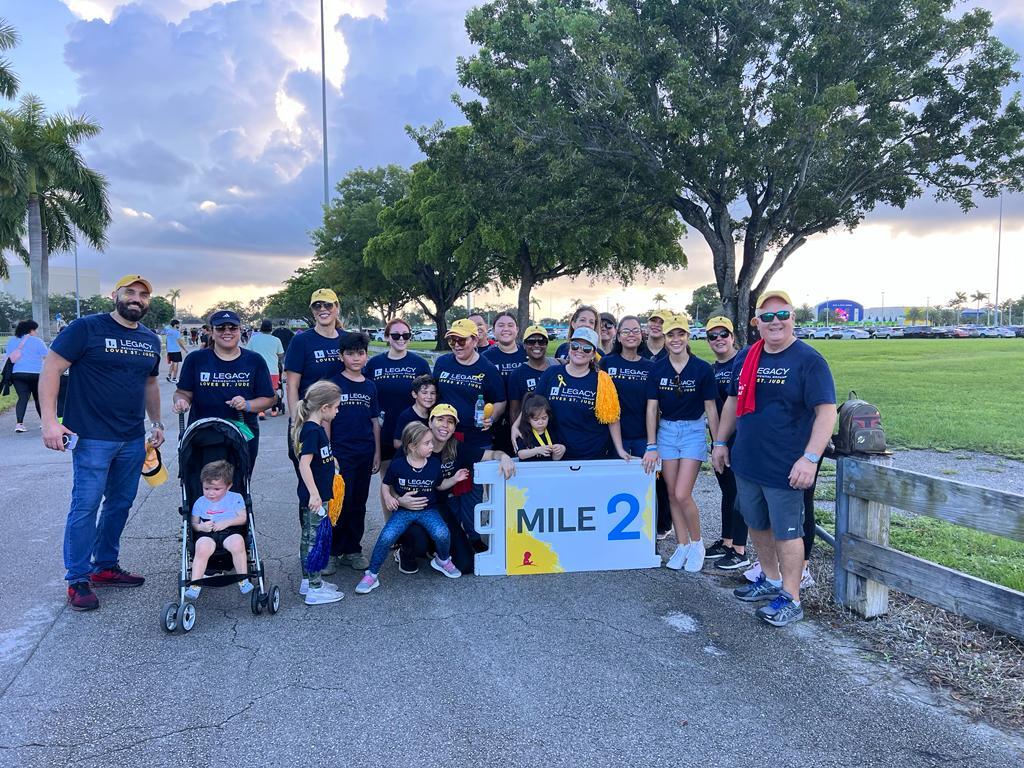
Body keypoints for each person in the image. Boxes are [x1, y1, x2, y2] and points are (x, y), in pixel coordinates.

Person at [39, 274, 165, 612]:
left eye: (143, 294)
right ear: (115, 295)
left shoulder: (151, 340)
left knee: (120, 505)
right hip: (92, 437)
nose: (136, 298)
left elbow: (150, 384)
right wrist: (51, 422)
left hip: (132, 437)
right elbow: (51, 368)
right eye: (130, 292)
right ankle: (78, 578)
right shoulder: (86, 328)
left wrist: (156, 422)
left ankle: (105, 566)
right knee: (86, 505)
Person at [713, 290, 837, 627]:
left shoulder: (809, 361)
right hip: (749, 460)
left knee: (787, 531)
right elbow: (733, 403)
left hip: (786, 464)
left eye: (782, 314)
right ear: (757, 323)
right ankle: (769, 578)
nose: (775, 321)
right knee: (756, 523)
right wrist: (721, 442)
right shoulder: (748, 357)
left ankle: (791, 596)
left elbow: (826, 413)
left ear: (793, 317)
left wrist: (810, 458)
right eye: (767, 317)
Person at [395, 404, 516, 574]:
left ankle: (436, 547)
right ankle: (405, 552)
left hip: (439, 508)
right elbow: (390, 483)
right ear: (430, 422)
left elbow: (491, 454)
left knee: (466, 565)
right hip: (412, 506)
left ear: (454, 427)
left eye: (450, 422)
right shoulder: (413, 445)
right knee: (419, 544)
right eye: (440, 419)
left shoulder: (457, 447)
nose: (445, 425)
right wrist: (400, 500)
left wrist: (504, 457)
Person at [642, 315, 719, 572]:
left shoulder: (702, 369)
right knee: (672, 493)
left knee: (683, 493)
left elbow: (711, 408)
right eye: (670, 335)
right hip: (666, 431)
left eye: (680, 334)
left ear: (687, 337)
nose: (675, 340)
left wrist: (717, 442)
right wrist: (651, 444)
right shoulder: (657, 368)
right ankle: (682, 543)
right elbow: (652, 408)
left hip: (693, 431)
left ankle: (698, 543)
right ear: (663, 338)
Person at [354, 422, 467, 594]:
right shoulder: (398, 464)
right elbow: (385, 485)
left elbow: (440, 485)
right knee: (386, 536)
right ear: (413, 446)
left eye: (431, 442)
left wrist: (455, 479)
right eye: (427, 443)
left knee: (442, 533)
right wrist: (389, 498)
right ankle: (371, 574)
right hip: (404, 512)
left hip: (428, 510)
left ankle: (443, 560)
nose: (432, 446)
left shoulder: (434, 465)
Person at [173, 310, 276, 467]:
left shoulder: (254, 360)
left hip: (242, 435)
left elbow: (269, 398)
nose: (227, 332)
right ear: (212, 332)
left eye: (232, 328)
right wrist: (181, 402)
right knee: (204, 487)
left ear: (240, 330)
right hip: (203, 435)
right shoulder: (196, 359)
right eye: (220, 328)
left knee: (239, 484)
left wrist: (247, 405)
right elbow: (182, 393)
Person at [602, 315, 672, 539]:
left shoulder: (650, 367)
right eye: (625, 331)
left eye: (635, 330)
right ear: (618, 337)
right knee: (614, 483)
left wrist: (654, 442)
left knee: (647, 484)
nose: (631, 334)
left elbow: (656, 406)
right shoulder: (607, 363)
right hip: (613, 436)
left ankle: (648, 532)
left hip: (643, 435)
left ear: (641, 335)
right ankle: (610, 531)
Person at [522, 326, 627, 461]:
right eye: (575, 345)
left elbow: (612, 418)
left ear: (593, 354)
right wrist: (516, 427)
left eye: (587, 348)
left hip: (592, 454)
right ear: (569, 347)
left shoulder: (602, 380)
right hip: (557, 453)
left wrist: (620, 450)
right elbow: (534, 405)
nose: (580, 351)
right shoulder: (552, 373)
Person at [325, 332, 381, 573]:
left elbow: (374, 421)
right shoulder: (332, 384)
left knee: (358, 503)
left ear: (366, 356)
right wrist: (327, 453)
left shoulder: (370, 385)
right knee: (339, 502)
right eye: (350, 354)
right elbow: (325, 421)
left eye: (360, 353)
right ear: (341, 356)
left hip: (365, 452)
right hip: (340, 453)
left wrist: (377, 452)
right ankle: (332, 552)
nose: (356, 358)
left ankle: (353, 550)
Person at [291, 380, 345, 605]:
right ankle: (315, 588)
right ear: (324, 408)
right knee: (315, 541)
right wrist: (314, 494)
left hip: (319, 494)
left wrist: (331, 461)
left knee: (308, 539)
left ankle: (309, 581)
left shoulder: (315, 429)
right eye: (336, 407)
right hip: (315, 498)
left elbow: (317, 459)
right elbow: (304, 464)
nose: (337, 410)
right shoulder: (312, 431)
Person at [703, 316, 750, 572]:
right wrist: (716, 441)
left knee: (740, 493)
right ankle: (727, 540)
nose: (719, 339)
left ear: (733, 337)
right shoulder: (712, 370)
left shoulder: (742, 364)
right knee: (727, 491)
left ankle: (740, 550)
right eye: (713, 336)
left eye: (724, 334)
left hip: (740, 438)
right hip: (720, 439)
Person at [364, 317, 431, 475]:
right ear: (387, 337)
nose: (401, 339)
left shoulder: (420, 364)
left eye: (405, 335)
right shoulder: (374, 364)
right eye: (395, 335)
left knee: (413, 478)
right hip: (384, 430)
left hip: (413, 431)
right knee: (388, 480)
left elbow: (429, 397)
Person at [432, 318, 505, 453]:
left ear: (475, 340)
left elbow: (500, 401)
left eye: (461, 340)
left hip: (476, 438)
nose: (456, 345)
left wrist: (491, 417)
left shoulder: (488, 369)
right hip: (443, 435)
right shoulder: (442, 363)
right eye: (452, 341)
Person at [184, 460, 252, 600]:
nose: (211, 493)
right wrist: (201, 527)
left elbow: (243, 518)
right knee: (202, 547)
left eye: (216, 489)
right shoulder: (200, 502)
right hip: (207, 533)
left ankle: (243, 579)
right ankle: (195, 583)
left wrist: (227, 522)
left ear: (228, 486)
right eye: (207, 488)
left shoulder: (235, 498)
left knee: (238, 542)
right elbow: (193, 523)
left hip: (230, 531)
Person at [283, 289, 345, 420]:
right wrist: (296, 421)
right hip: (311, 417)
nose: (322, 309)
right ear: (312, 311)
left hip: (342, 417)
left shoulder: (347, 339)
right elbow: (292, 385)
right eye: (317, 305)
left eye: (328, 305)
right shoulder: (300, 341)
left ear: (337, 307)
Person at [482, 310, 527, 453]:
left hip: (524, 419)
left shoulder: (527, 353)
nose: (506, 329)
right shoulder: (485, 357)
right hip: (494, 421)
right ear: (494, 330)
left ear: (517, 330)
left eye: (510, 325)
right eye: (501, 325)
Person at [6, 320, 48, 432]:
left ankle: (19, 424)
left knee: (22, 398)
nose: (37, 332)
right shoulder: (38, 341)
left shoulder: (12, 341)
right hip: (36, 373)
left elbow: (8, 357)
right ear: (31, 330)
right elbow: (46, 356)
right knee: (38, 398)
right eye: (35, 329)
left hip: (18, 373)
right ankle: (44, 423)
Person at [507, 324, 554, 423]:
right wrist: (515, 432)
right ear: (524, 345)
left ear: (546, 345)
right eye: (531, 342)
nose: (536, 345)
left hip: (555, 430)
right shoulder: (517, 374)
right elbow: (514, 410)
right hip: (529, 431)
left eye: (541, 342)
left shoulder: (556, 369)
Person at [246, 319, 285, 417]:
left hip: (256, 370)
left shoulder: (253, 339)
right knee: (273, 390)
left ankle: (261, 411)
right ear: (271, 329)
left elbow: (247, 352)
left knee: (259, 389)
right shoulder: (276, 340)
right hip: (272, 370)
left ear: (261, 328)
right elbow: (281, 354)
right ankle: (274, 409)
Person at [514, 393, 566, 461]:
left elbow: (555, 459)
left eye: (544, 418)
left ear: (548, 416)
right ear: (528, 419)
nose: (540, 422)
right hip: (529, 470)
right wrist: (537, 450)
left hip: (547, 470)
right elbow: (520, 454)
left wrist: (561, 449)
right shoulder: (524, 433)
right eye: (536, 419)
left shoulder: (552, 431)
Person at [392, 374, 437, 449]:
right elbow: (397, 443)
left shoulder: (434, 415)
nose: (429, 397)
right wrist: (418, 449)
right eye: (424, 393)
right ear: (414, 394)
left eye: (432, 393)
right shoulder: (406, 416)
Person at [164, 319, 187, 383]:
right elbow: (179, 342)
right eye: (178, 324)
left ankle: (169, 376)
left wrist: (167, 349)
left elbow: (166, 341)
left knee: (173, 363)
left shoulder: (168, 331)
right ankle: (174, 378)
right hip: (176, 350)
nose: (179, 325)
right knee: (176, 364)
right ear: (175, 324)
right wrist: (185, 349)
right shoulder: (176, 332)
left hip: (170, 350)